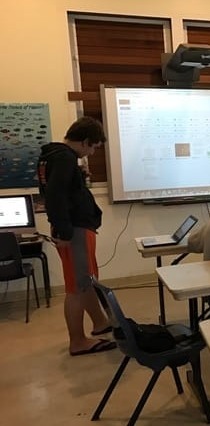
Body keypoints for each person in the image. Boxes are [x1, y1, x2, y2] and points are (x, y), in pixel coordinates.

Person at [37, 116, 116, 356]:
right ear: (84, 141)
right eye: (93, 147)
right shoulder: (64, 158)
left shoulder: (53, 156)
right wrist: (64, 231)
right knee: (78, 286)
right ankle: (78, 341)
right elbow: (55, 196)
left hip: (74, 229)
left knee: (86, 280)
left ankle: (100, 322)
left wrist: (78, 177)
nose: (91, 153)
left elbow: (59, 191)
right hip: (74, 231)